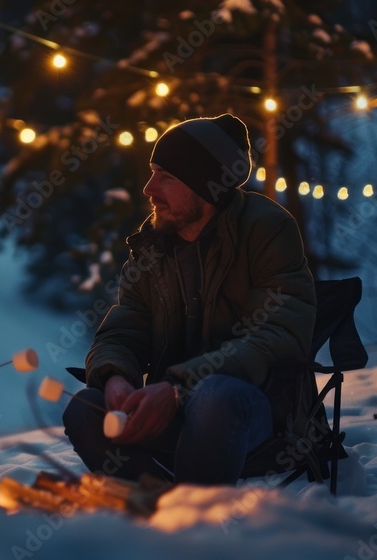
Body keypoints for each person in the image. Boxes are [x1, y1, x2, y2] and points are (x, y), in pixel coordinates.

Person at [63, 114, 317, 485]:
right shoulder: (152, 243)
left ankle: (192, 525)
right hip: (171, 407)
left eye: (165, 176)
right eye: (152, 172)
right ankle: (156, 505)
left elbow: (275, 336)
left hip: (258, 411)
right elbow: (124, 326)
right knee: (85, 409)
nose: (149, 188)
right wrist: (116, 376)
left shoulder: (267, 229)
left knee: (215, 396)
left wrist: (180, 389)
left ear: (206, 187)